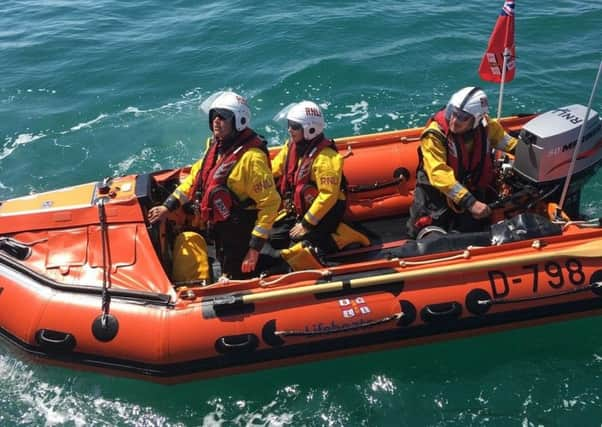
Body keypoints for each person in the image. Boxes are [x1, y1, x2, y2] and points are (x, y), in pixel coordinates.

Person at [148, 91, 280, 280]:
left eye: (223, 117)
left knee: (236, 273)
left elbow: (270, 204)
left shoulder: (252, 160)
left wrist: (254, 249)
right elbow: (195, 180)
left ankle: (274, 263)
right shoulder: (216, 146)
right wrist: (167, 207)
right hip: (220, 224)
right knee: (223, 256)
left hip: (240, 230)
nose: (216, 121)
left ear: (239, 120)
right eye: (214, 116)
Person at [407, 86, 518, 238]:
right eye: (452, 113)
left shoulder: (486, 126)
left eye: (462, 117)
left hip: (467, 186)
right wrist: (470, 202)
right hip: (436, 193)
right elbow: (438, 173)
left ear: (477, 119)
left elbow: (508, 143)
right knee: (428, 237)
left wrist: (533, 152)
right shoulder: (434, 134)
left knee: (474, 231)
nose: (454, 121)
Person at [270, 101, 368, 269]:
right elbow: (276, 169)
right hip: (301, 209)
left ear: (310, 129)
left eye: (294, 126)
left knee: (299, 244)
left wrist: (306, 224)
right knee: (274, 237)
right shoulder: (291, 148)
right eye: (289, 125)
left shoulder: (326, 159)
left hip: (326, 213)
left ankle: (343, 236)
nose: (289, 130)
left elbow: (327, 196)